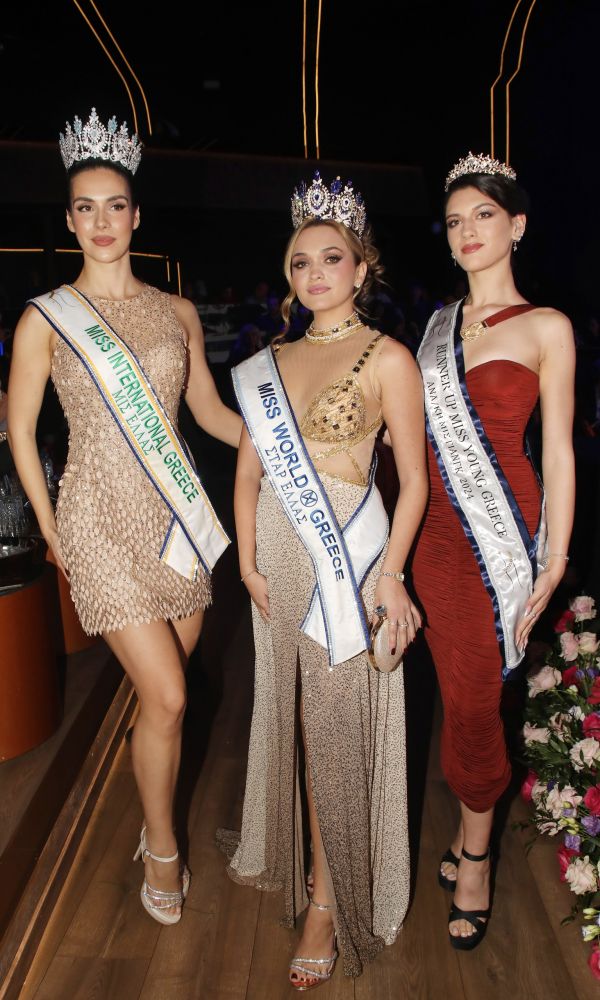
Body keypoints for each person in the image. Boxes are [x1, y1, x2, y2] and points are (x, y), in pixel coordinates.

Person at [7, 109, 242, 925]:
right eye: (86, 207)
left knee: (159, 703)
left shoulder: (177, 312)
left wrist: (296, 449)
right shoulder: (46, 316)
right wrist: (51, 528)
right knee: (171, 696)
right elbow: (21, 428)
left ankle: (153, 813)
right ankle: (162, 846)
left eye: (115, 206)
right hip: (97, 520)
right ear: (70, 219)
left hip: (175, 521)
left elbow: (208, 414)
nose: (101, 221)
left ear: (136, 216)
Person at [223, 171, 428, 987]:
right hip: (276, 561)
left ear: (361, 267)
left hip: (349, 561)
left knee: (335, 733)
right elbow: (247, 475)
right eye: (301, 261)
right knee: (296, 722)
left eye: (332, 258)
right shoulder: (268, 362)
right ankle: (308, 867)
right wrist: (247, 560)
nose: (315, 273)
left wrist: (394, 575)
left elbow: (414, 483)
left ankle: (327, 898)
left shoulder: (389, 358)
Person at [412, 152, 575, 950]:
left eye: (484, 215)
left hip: (501, 534)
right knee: (457, 692)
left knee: (477, 701)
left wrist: (556, 557)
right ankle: (468, 826)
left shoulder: (547, 327)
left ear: (516, 226)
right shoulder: (434, 329)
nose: (468, 231)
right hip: (430, 538)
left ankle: (475, 856)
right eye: (455, 220)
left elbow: (560, 452)